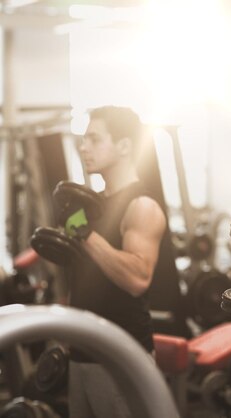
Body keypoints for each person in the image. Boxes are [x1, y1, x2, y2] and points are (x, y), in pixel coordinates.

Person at [66, 106, 168, 418]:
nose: (84, 147)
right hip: (82, 353)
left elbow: (138, 279)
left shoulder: (142, 205)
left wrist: (86, 236)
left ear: (124, 146)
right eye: (84, 140)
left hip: (120, 356)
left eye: (94, 139)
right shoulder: (93, 206)